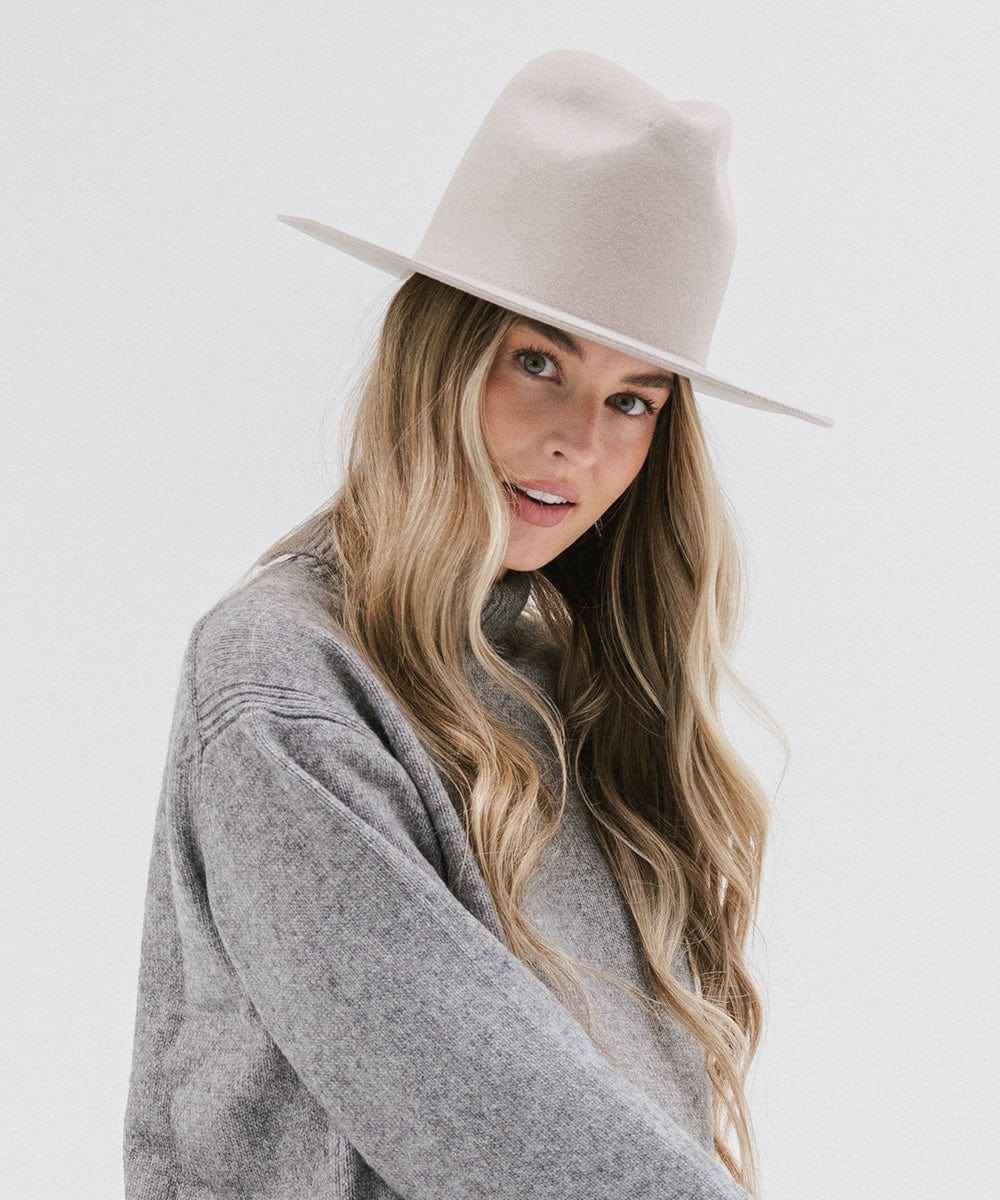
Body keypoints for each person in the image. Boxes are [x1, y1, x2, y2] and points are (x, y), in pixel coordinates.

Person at [122, 49, 831, 1200]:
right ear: (436, 355)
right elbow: (485, 1116)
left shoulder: (574, 697)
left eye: (633, 398)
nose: (578, 443)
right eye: (537, 361)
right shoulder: (286, 679)